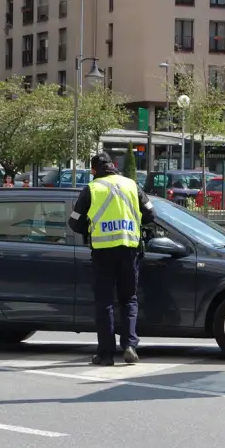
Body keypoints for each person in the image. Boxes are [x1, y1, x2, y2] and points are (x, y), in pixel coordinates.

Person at [68, 153, 156, 366]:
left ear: (93, 170)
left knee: (105, 302)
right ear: (114, 166)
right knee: (129, 299)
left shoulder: (92, 188)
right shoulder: (131, 185)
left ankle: (105, 354)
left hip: (103, 252)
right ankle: (129, 346)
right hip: (129, 249)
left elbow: (74, 222)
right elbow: (151, 215)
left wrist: (88, 230)